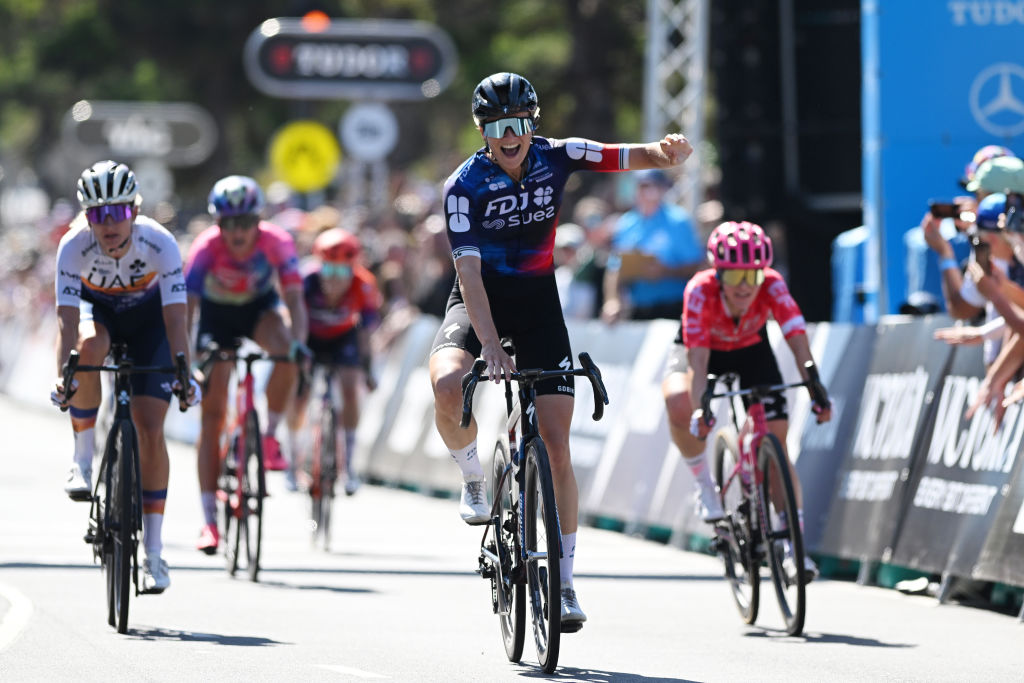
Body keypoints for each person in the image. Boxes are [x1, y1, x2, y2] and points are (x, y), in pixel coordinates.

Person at [429, 71, 693, 629]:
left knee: (556, 443)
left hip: (538, 305)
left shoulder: (557, 155)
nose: (508, 136)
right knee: (448, 386)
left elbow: (619, 156)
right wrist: (492, 345)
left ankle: (565, 584)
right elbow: (469, 275)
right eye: (496, 127)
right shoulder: (463, 186)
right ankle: (474, 475)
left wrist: (662, 154)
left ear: (532, 124)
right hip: (478, 301)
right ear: (482, 129)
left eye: (518, 124)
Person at [52, 160, 200, 594]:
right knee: (88, 350)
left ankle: (154, 554)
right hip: (98, 317)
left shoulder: (160, 243)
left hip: (150, 323)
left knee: (150, 428)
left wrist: (183, 373)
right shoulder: (73, 245)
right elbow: (65, 324)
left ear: (134, 211)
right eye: (98, 214)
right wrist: (66, 376)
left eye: (117, 212)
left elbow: (177, 319)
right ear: (87, 217)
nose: (108, 223)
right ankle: (82, 461)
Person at [661, 221, 832, 581]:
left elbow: (796, 336)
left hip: (751, 350)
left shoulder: (771, 283)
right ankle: (705, 485)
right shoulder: (700, 290)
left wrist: (814, 384)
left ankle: (793, 547)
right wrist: (700, 409)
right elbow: (698, 360)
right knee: (678, 400)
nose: (744, 286)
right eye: (735, 275)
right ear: (718, 272)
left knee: (776, 446)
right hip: (704, 350)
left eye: (752, 276)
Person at [185, 175, 309, 554]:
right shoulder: (205, 248)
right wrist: (188, 360)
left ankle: (268, 434)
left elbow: (294, 298)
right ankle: (209, 520)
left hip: (258, 310)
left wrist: (301, 343)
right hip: (216, 318)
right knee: (213, 413)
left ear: (259, 220)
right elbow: (186, 311)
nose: (237, 233)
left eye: (245, 223)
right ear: (217, 224)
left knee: (287, 349)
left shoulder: (277, 242)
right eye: (229, 224)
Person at [285, 227, 382, 495]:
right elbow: (291, 319)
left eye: (342, 272)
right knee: (300, 392)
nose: (334, 280)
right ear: (319, 266)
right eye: (328, 270)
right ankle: (292, 463)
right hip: (310, 337)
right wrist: (297, 353)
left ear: (353, 268)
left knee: (351, 388)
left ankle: (348, 466)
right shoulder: (305, 280)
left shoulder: (364, 284)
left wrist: (368, 369)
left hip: (343, 339)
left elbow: (364, 332)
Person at [601, 168, 704, 322]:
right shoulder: (626, 224)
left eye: (654, 186)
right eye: (643, 186)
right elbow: (614, 269)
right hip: (639, 310)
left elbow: (697, 266)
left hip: (674, 309)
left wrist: (665, 271)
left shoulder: (678, 221)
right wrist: (611, 301)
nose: (649, 191)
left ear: (663, 189)